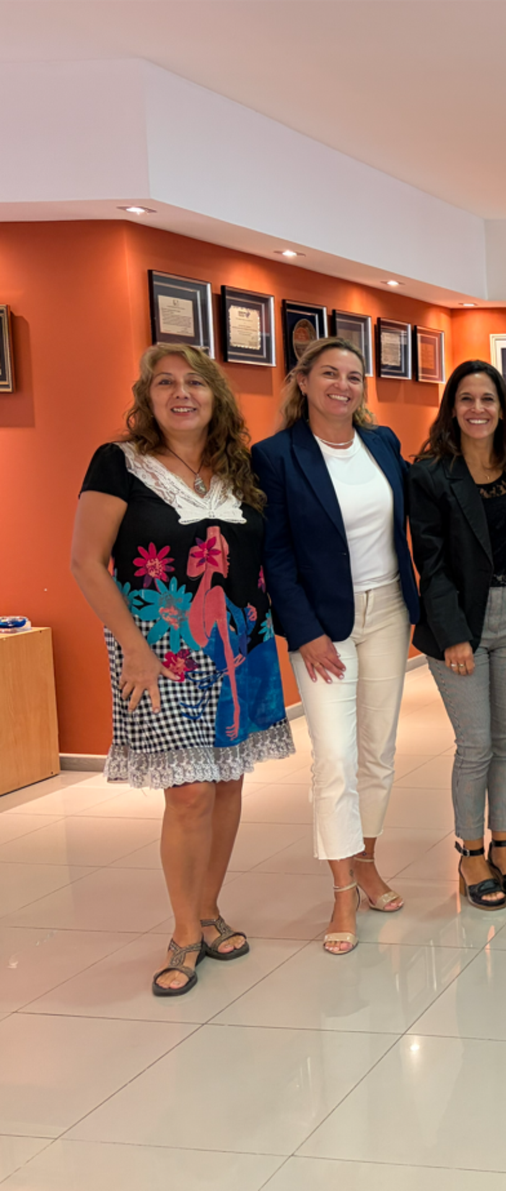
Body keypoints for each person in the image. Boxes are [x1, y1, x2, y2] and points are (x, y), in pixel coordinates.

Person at [70, 346, 294, 996]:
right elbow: (86, 561)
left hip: (240, 645)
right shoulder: (119, 463)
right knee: (188, 791)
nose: (181, 393)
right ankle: (184, 930)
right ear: (146, 395)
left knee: (226, 784)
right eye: (165, 382)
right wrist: (133, 648)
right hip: (157, 648)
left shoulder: (240, 469)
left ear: (216, 394)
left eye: (194, 381)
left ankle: (210, 907)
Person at [253, 337, 420, 955]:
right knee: (334, 758)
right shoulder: (275, 456)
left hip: (388, 612)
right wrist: (307, 632)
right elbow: (275, 554)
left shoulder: (382, 444)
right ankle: (343, 891)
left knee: (378, 752)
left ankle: (368, 858)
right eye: (329, 374)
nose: (342, 386)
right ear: (302, 381)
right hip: (324, 627)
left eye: (353, 376)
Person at [409, 360, 506, 912]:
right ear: (452, 407)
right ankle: (470, 853)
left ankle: (504, 848)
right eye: (466, 399)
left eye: (488, 399)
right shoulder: (431, 472)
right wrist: (454, 633)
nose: (478, 410)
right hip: (463, 621)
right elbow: (431, 562)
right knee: (476, 743)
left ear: (502, 407)